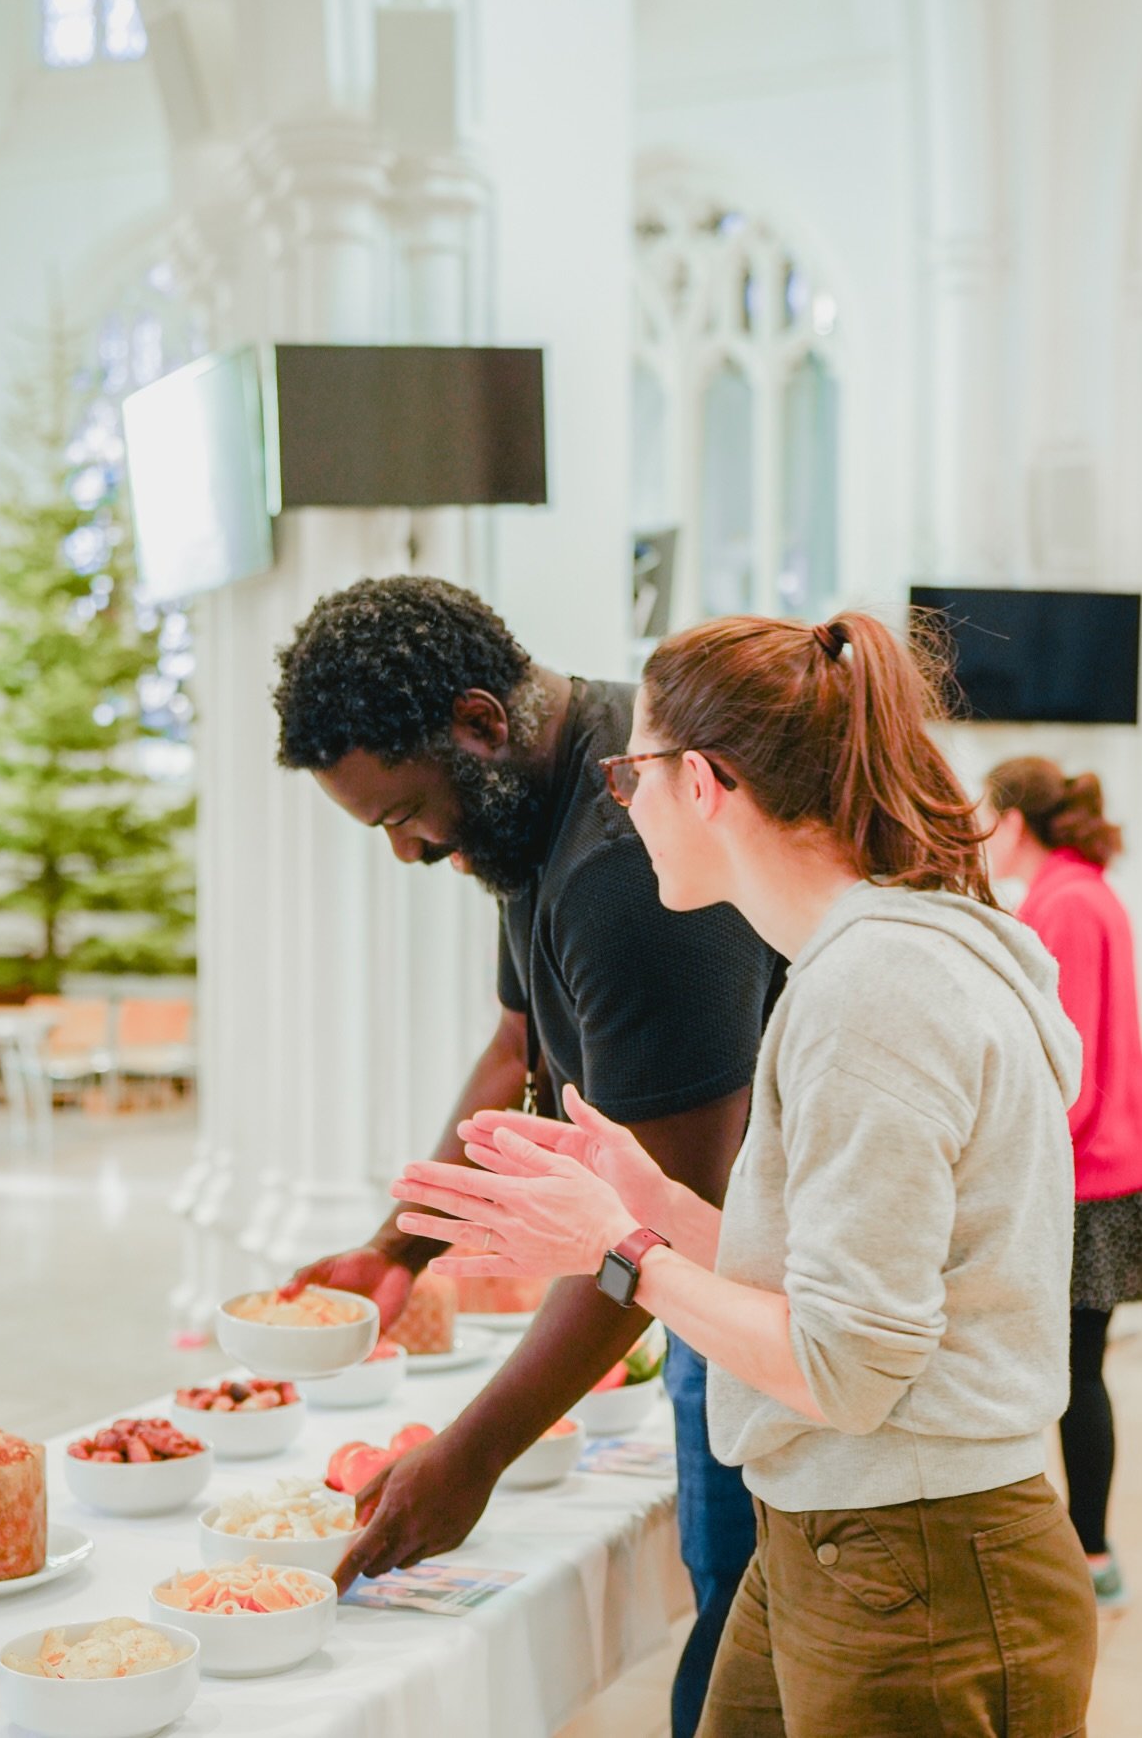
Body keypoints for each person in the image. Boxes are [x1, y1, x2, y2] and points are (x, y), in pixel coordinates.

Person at [392, 613, 1098, 1737]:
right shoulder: (854, 966)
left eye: (634, 771)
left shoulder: (877, 990)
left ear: (707, 782)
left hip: (923, 1559)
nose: (620, 799)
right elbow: (821, 1284)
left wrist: (624, 1253)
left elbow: (847, 1367)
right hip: (836, 1527)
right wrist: (654, 1203)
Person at [272, 575, 782, 1733]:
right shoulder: (532, 797)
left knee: (751, 1621)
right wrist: (396, 1246)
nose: (407, 850)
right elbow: (520, 1043)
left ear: (480, 722)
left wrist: (472, 1456)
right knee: (732, 1599)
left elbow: (658, 1218)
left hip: (763, 1292)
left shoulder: (624, 865)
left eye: (405, 814)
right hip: (704, 1273)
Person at [984, 755, 1142, 1609]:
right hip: (1101, 1172)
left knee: (1073, 1373)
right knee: (1075, 1368)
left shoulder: (1065, 902)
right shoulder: (1080, 891)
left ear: (1014, 821)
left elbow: (1065, 1067)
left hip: (1087, 1180)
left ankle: (1089, 1555)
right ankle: (1087, 1552)